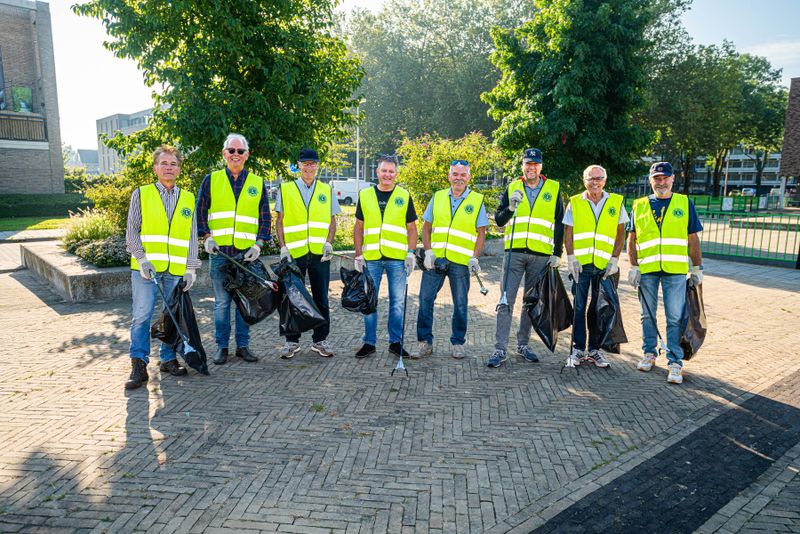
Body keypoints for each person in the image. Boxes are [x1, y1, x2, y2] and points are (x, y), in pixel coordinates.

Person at [125, 145, 200, 390]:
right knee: (142, 317)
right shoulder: (141, 194)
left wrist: (191, 268)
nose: (169, 167)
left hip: (176, 270)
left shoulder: (188, 197)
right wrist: (141, 258)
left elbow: (191, 236)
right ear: (155, 168)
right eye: (164, 163)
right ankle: (139, 365)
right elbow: (131, 232)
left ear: (179, 169)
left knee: (171, 316)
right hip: (146, 269)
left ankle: (168, 359)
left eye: (174, 164)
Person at [196, 133, 272, 365]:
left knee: (245, 301)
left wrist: (259, 244)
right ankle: (222, 347)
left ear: (247, 155)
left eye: (240, 151)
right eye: (232, 151)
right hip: (220, 253)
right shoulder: (211, 179)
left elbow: (265, 218)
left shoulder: (257, 183)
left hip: (246, 255)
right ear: (224, 153)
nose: (235, 155)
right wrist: (207, 237)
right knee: (221, 304)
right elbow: (200, 212)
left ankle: (243, 346)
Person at [487, 148, 565, 368]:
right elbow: (500, 220)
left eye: (535, 164)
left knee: (530, 303)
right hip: (515, 253)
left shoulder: (553, 188)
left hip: (540, 256)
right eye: (527, 164)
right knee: (505, 301)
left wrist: (557, 253)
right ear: (522, 165)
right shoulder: (512, 186)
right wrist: (510, 207)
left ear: (541, 167)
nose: (531, 168)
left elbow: (559, 223)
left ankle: (523, 344)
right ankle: (500, 348)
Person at [627, 162, 704, 384]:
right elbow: (632, 239)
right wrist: (633, 266)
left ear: (672, 180)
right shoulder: (639, 205)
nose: (661, 182)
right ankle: (649, 353)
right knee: (647, 314)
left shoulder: (684, 203)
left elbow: (693, 238)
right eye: (657, 178)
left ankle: (674, 361)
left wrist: (697, 267)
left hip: (675, 271)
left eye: (665, 178)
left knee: (674, 316)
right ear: (650, 180)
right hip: (648, 270)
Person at [415, 160, 488, 359]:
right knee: (425, 299)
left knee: (461, 303)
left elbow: (481, 232)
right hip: (436, 260)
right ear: (449, 176)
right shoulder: (438, 197)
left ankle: (457, 343)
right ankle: (424, 343)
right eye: (455, 174)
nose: (459, 178)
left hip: (461, 262)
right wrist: (428, 251)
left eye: (463, 174)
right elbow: (426, 227)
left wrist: (475, 257)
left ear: (469, 177)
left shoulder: (476, 200)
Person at [275, 148, 341, 358]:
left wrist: (329, 243)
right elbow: (280, 220)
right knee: (292, 297)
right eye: (305, 163)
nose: (309, 167)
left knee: (322, 297)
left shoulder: (326, 189)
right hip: (294, 253)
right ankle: (291, 341)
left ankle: (320, 340)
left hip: (320, 253)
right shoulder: (286, 189)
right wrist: (283, 247)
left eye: (313, 163)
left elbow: (332, 221)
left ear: (318, 165)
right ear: (299, 165)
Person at [352, 154, 418, 358]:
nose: (387, 174)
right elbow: (358, 227)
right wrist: (358, 254)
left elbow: (412, 228)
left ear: (396, 174)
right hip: (371, 258)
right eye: (384, 170)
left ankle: (395, 343)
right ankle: (369, 343)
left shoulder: (404, 195)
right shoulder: (365, 195)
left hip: (397, 259)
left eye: (391, 171)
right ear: (377, 172)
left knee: (397, 302)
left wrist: (411, 253)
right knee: (369, 301)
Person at [563, 164, 628, 368]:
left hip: (604, 265)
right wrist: (571, 257)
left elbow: (620, 233)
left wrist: (615, 259)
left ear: (605, 181)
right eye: (591, 178)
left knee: (600, 308)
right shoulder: (575, 202)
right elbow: (568, 232)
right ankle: (578, 349)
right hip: (581, 265)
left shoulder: (616, 202)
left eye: (599, 178)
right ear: (584, 180)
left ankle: (595, 350)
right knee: (579, 307)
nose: (595, 182)